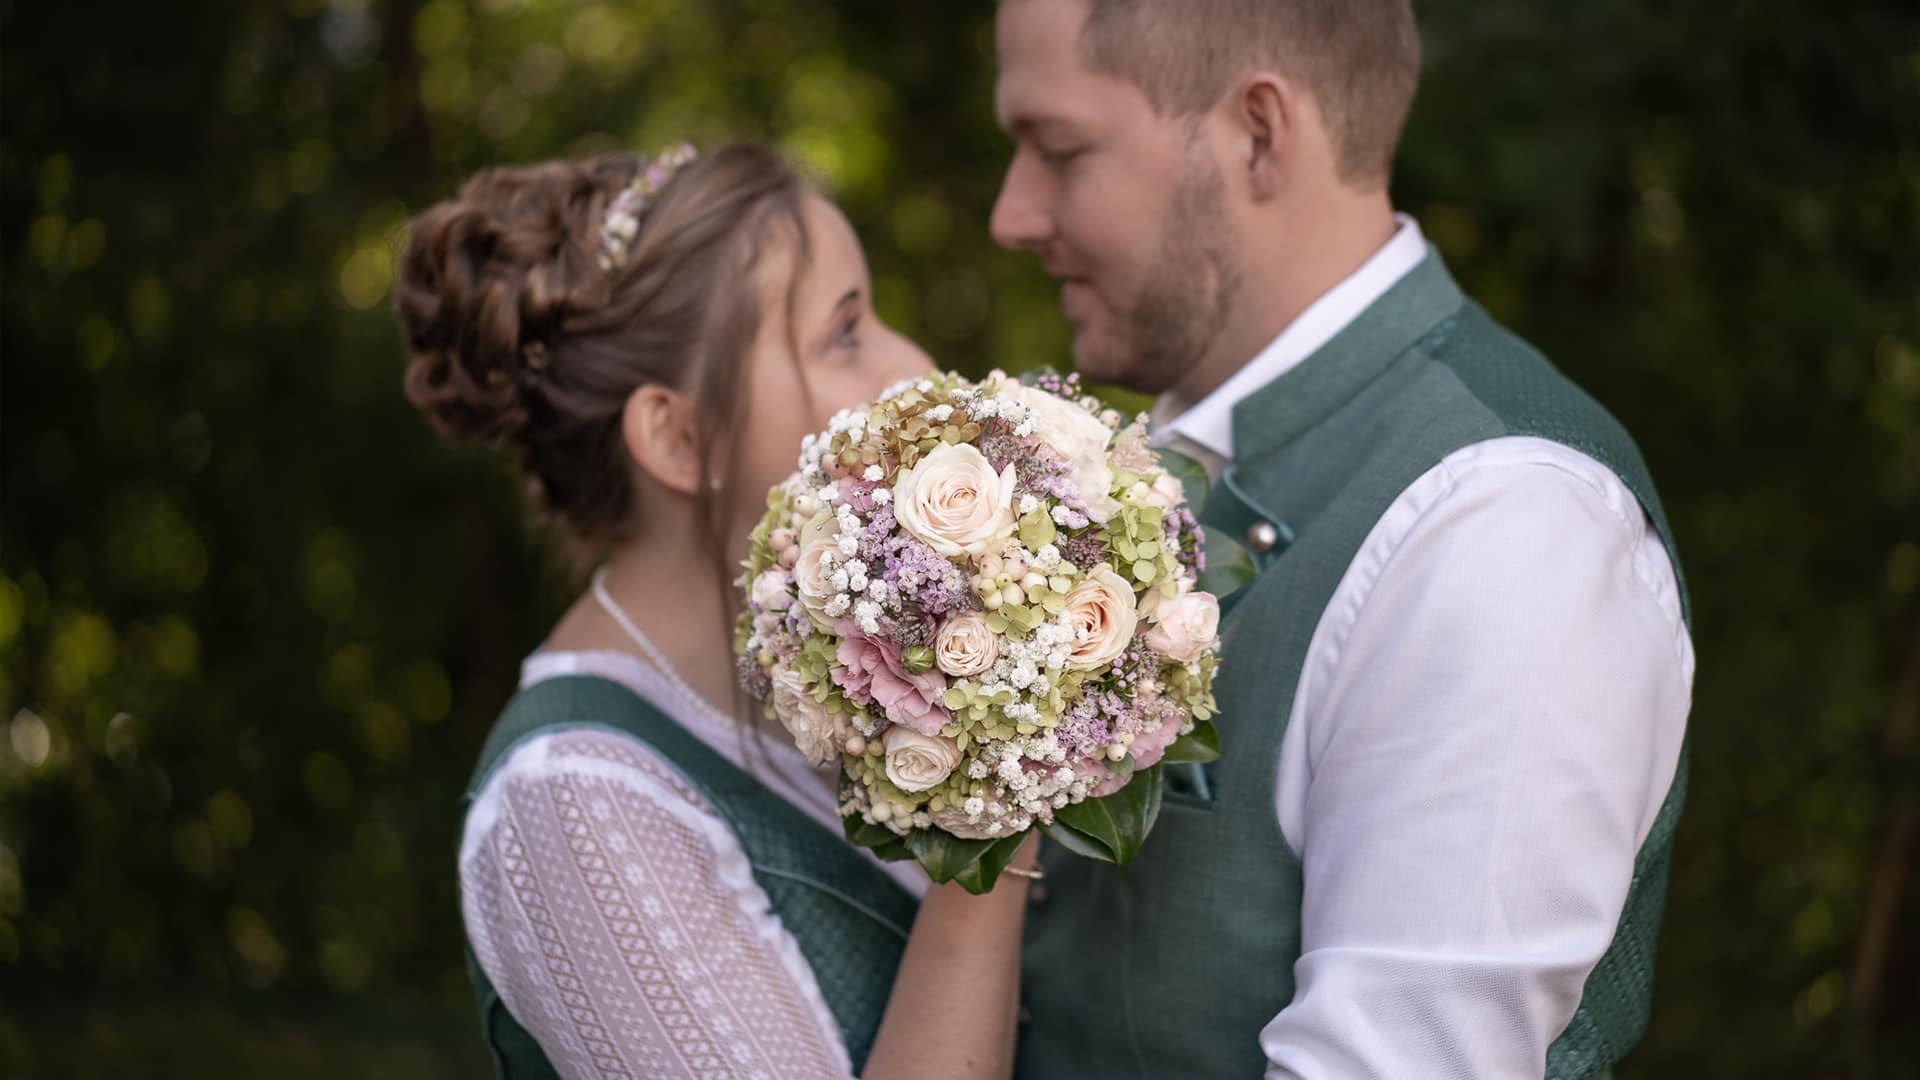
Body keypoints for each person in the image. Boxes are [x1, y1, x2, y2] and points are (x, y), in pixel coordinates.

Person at [988, 2, 1695, 1077]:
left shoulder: (1502, 526)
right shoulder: (1131, 464)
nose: (1012, 214)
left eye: (1060, 148)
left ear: (1260, 133)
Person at [395, 142, 1036, 1080]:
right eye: (845, 333)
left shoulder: (854, 669)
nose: (919, 366)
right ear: (680, 436)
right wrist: (994, 828)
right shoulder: (570, 805)